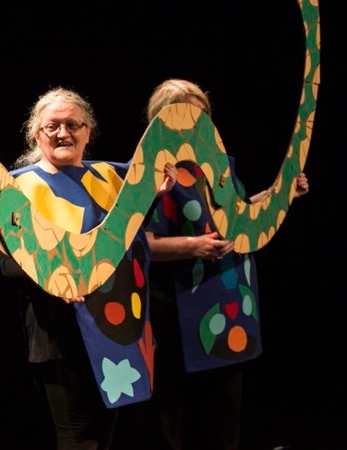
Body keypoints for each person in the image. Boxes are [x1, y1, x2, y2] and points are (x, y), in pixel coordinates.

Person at [0, 87, 176, 450]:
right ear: (36, 135)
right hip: (59, 332)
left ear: (88, 131)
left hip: (115, 324)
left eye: (72, 124)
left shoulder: (112, 177)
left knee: (106, 433)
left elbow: (129, 239)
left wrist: (154, 193)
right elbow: (3, 262)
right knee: (78, 438)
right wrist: (53, 281)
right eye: (52, 126)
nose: (62, 133)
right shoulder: (18, 187)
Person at [139, 78, 310, 450]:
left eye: (202, 117)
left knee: (223, 415)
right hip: (179, 305)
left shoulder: (220, 166)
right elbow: (140, 243)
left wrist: (281, 193)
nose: (195, 125)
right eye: (185, 116)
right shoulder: (153, 174)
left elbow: (239, 215)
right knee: (172, 413)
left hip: (227, 297)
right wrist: (193, 246)